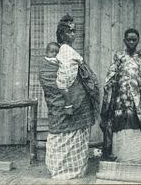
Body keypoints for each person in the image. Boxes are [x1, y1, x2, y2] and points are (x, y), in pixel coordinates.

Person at [39, 14, 99, 180]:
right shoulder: (66, 51)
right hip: (71, 102)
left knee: (68, 138)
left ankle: (64, 169)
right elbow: (63, 80)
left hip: (72, 101)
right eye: (69, 31)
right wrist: (68, 103)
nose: (73, 34)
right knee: (69, 137)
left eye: (74, 31)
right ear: (61, 34)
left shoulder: (65, 51)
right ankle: (69, 171)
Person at [100, 28, 141, 164]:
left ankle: (138, 159)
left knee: (138, 129)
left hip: (139, 104)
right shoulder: (119, 57)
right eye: (129, 39)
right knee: (121, 128)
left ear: (138, 41)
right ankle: (122, 159)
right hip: (120, 103)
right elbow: (110, 79)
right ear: (124, 41)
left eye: (134, 39)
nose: (131, 42)